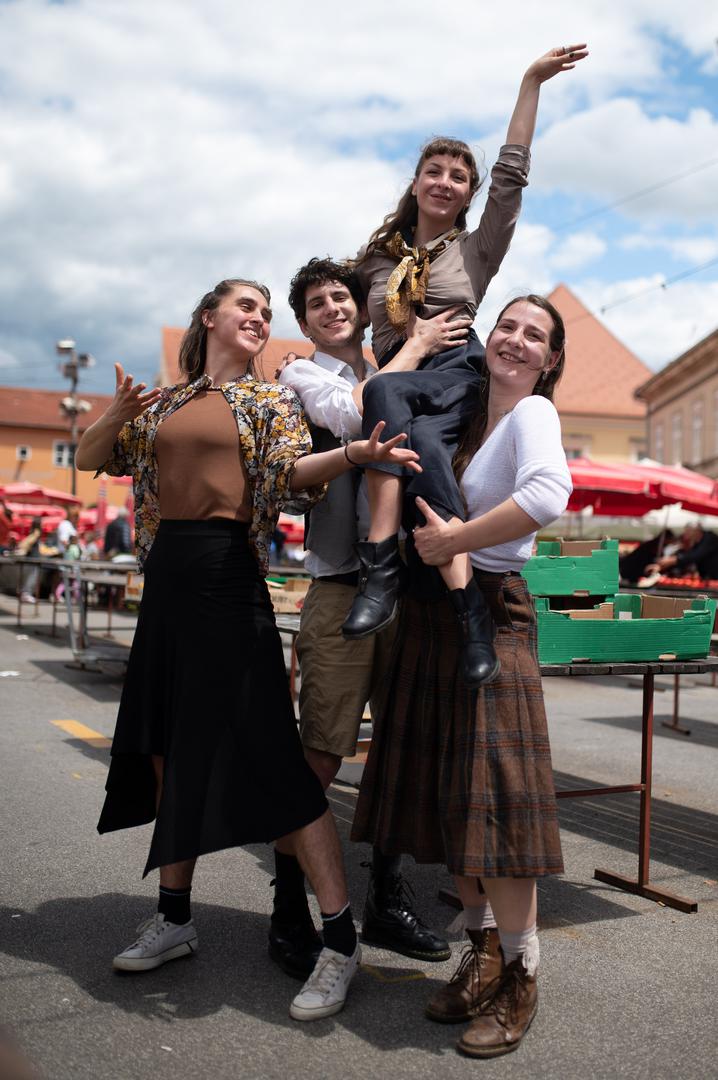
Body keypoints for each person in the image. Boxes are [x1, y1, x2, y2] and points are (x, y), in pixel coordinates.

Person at [75, 277, 420, 1022]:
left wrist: (354, 453)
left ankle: (338, 937)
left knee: (271, 757)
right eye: (248, 308)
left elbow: (291, 477)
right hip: (166, 583)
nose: (260, 319)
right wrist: (115, 412)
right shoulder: (162, 402)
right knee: (168, 748)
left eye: (267, 312)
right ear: (210, 317)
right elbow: (89, 456)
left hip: (229, 577)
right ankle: (173, 916)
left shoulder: (269, 403)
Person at [352, 295, 572, 1058]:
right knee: (456, 802)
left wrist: (456, 537)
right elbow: (374, 409)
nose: (514, 340)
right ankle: (480, 953)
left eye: (533, 335)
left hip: (491, 610)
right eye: (507, 326)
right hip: (428, 615)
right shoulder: (464, 406)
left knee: (501, 805)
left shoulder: (533, 416)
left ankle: (521, 973)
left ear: (549, 359)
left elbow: (548, 497)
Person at [342, 44, 587, 693]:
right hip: (404, 380)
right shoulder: (373, 263)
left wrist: (530, 82)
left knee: (389, 388)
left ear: (467, 193)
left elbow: (512, 175)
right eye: (436, 169)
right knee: (411, 434)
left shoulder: (477, 250)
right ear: (417, 181)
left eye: (459, 175)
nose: (446, 181)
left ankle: (380, 562)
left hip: (455, 373)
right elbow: (336, 317)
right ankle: (468, 613)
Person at [272, 256, 464, 979]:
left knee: (399, 750)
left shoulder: (392, 358)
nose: (332, 307)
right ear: (304, 321)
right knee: (322, 749)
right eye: (317, 302)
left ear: (358, 306)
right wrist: (411, 354)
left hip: (410, 585)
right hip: (342, 585)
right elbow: (354, 413)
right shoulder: (302, 376)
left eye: (341, 296)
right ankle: (289, 901)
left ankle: (386, 892)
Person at [646, 524, 718, 581]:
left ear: (696, 531)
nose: (686, 535)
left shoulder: (709, 538)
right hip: (707, 577)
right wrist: (661, 567)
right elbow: (685, 559)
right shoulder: (696, 543)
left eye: (688, 532)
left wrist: (674, 560)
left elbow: (695, 555)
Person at [16, 517, 43, 603]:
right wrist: (22, 546)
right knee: (32, 577)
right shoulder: (36, 532)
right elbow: (27, 542)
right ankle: (26, 594)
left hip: (31, 557)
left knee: (29, 576)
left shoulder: (32, 531)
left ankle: (25, 593)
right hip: (33, 558)